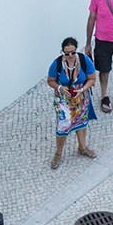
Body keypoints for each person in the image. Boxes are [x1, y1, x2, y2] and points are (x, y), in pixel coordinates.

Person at [47, 37, 99, 168]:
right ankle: (58, 153)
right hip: (64, 100)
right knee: (63, 126)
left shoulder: (84, 60)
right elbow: (51, 80)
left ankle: (82, 147)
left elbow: (92, 79)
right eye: (67, 53)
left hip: (80, 98)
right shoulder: (57, 63)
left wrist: (83, 89)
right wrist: (60, 88)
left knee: (82, 123)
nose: (70, 55)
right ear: (63, 52)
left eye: (73, 52)